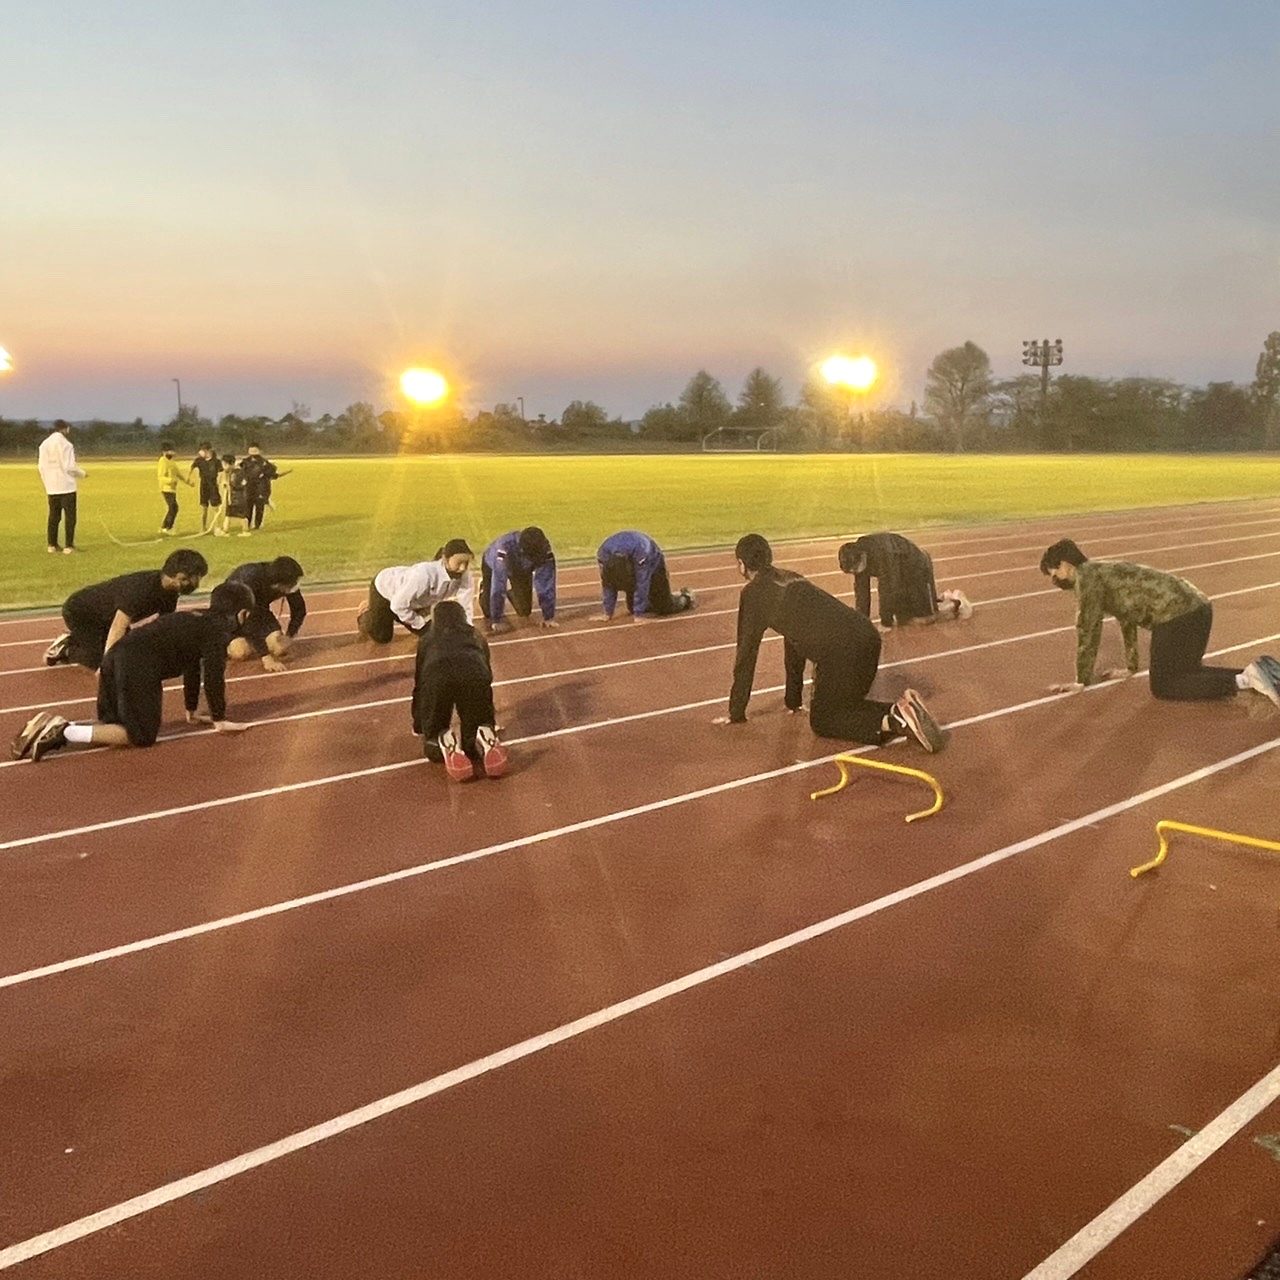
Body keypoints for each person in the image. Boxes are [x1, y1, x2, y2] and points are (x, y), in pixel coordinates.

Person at [719, 533, 944, 751]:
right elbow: (794, 640)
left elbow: (746, 654)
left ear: (741, 564)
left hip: (842, 653)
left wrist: (736, 713)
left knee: (824, 720)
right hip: (868, 638)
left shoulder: (753, 595)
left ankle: (894, 721)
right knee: (844, 706)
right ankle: (903, 711)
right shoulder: (791, 576)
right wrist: (793, 701)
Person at [13, 582, 254, 763]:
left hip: (115, 655)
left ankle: (51, 725)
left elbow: (194, 666)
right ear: (242, 613)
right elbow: (213, 674)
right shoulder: (218, 630)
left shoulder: (194, 617)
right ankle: (64, 730)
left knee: (113, 724)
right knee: (140, 736)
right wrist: (220, 719)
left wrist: (191, 710)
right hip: (138, 664)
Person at [1040, 538, 1280, 704]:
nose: (1055, 580)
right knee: (1187, 673)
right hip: (1198, 608)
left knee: (1164, 686)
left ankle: (1247, 679)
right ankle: (1262, 676)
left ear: (1065, 565)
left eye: (1054, 574)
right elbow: (1127, 617)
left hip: (1177, 615)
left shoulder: (1087, 578)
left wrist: (1081, 681)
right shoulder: (1102, 570)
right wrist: (1131, 667)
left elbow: (1088, 629)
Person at [43, 548, 209, 670]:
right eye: (192, 579)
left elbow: (164, 626)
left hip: (107, 617)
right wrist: (106, 665)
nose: (195, 585)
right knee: (103, 661)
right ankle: (68, 647)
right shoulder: (141, 590)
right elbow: (118, 626)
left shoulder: (170, 593)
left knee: (128, 652)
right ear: (178, 575)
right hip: (81, 612)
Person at [411, 600, 508, 781]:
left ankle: (442, 738)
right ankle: (482, 732)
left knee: (432, 741)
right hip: (474, 675)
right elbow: (486, 677)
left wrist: (420, 725)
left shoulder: (426, 639)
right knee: (473, 743)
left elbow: (419, 685)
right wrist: (488, 718)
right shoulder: (476, 635)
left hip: (437, 676)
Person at [838, 532, 972, 627]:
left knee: (924, 619)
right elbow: (862, 592)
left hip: (916, 568)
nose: (856, 573)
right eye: (852, 572)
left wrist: (886, 622)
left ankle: (956, 603)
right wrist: (862, 623)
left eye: (856, 569)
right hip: (899, 574)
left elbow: (888, 588)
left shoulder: (884, 555)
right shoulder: (857, 558)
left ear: (862, 556)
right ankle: (936, 599)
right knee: (904, 619)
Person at [356, 540, 476, 643]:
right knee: (382, 637)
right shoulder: (423, 576)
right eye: (459, 562)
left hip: (412, 601)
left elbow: (466, 602)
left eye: (466, 563)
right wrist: (419, 622)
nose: (463, 568)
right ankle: (366, 614)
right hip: (384, 590)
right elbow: (397, 605)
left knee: (432, 635)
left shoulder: (464, 575)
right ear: (445, 559)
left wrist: (469, 628)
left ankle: (397, 614)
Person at [226, 556, 307, 672]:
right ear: (278, 584)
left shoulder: (285, 579)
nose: (295, 586)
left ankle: (254, 643)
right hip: (232, 614)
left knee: (279, 647)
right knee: (240, 652)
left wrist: (290, 635)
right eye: (292, 583)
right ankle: (223, 642)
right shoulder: (249, 580)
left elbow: (299, 609)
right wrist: (266, 657)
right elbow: (249, 620)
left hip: (259, 610)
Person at [596, 530, 695, 621]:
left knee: (664, 607)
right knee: (631, 608)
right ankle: (646, 604)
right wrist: (607, 613)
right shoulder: (603, 555)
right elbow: (608, 583)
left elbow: (642, 582)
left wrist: (639, 614)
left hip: (653, 563)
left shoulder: (643, 551)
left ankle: (686, 598)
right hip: (630, 562)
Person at [480, 526, 558, 633]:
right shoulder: (504, 549)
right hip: (492, 565)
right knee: (488, 611)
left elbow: (546, 582)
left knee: (524, 611)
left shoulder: (544, 549)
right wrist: (497, 620)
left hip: (521, 570)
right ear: (523, 551)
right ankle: (483, 588)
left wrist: (548, 617)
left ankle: (512, 593)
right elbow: (499, 583)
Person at [38, 419, 85, 554]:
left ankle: (52, 545)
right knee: (70, 517)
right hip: (67, 486)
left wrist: (47, 481)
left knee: (54, 515)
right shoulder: (66, 445)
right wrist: (81, 473)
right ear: (65, 429)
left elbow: (41, 466)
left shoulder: (44, 444)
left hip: (52, 486)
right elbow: (69, 467)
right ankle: (69, 546)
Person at [157, 441, 195, 535]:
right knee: (173, 507)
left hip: (172, 489)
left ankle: (165, 527)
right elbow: (160, 477)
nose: (173, 453)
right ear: (164, 452)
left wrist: (188, 482)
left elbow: (178, 474)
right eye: (170, 451)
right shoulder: (162, 461)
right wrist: (170, 480)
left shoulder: (172, 462)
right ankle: (167, 528)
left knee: (174, 507)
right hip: (166, 489)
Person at [240, 443, 280, 531]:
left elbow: (271, 472)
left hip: (260, 488)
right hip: (249, 487)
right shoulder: (245, 462)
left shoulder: (264, 462)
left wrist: (267, 474)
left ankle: (257, 525)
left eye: (255, 450)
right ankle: (247, 524)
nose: (253, 452)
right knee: (248, 506)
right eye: (251, 450)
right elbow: (241, 472)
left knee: (259, 507)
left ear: (259, 451)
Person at [213, 453, 252, 537]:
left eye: (224, 464)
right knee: (228, 514)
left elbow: (237, 484)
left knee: (242, 516)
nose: (223, 466)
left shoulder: (237, 473)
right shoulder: (231, 472)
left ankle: (245, 531)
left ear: (230, 464)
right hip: (231, 498)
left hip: (238, 498)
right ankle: (225, 530)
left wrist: (228, 484)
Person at [188, 443, 223, 533]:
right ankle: (203, 527)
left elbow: (221, 472)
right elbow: (192, 467)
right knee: (204, 507)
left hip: (213, 485)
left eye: (203, 450)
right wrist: (189, 478)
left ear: (208, 450)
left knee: (216, 507)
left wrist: (221, 481)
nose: (201, 452)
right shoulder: (199, 460)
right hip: (203, 485)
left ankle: (217, 527)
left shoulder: (216, 461)